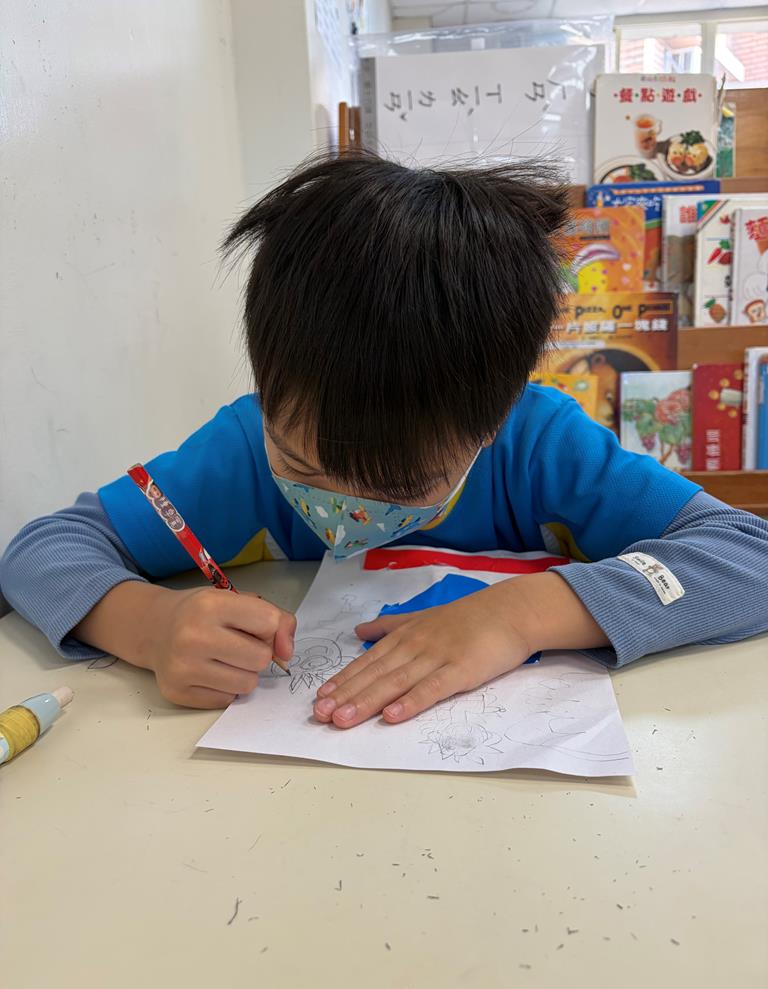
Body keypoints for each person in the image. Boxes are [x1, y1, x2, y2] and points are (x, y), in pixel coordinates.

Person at [2, 153, 767, 729]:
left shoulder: (540, 442)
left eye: (400, 486)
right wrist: (149, 625)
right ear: (268, 388)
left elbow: (747, 556)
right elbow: (43, 549)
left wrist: (522, 614)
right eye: (301, 466)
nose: (344, 509)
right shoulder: (241, 449)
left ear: (494, 418)